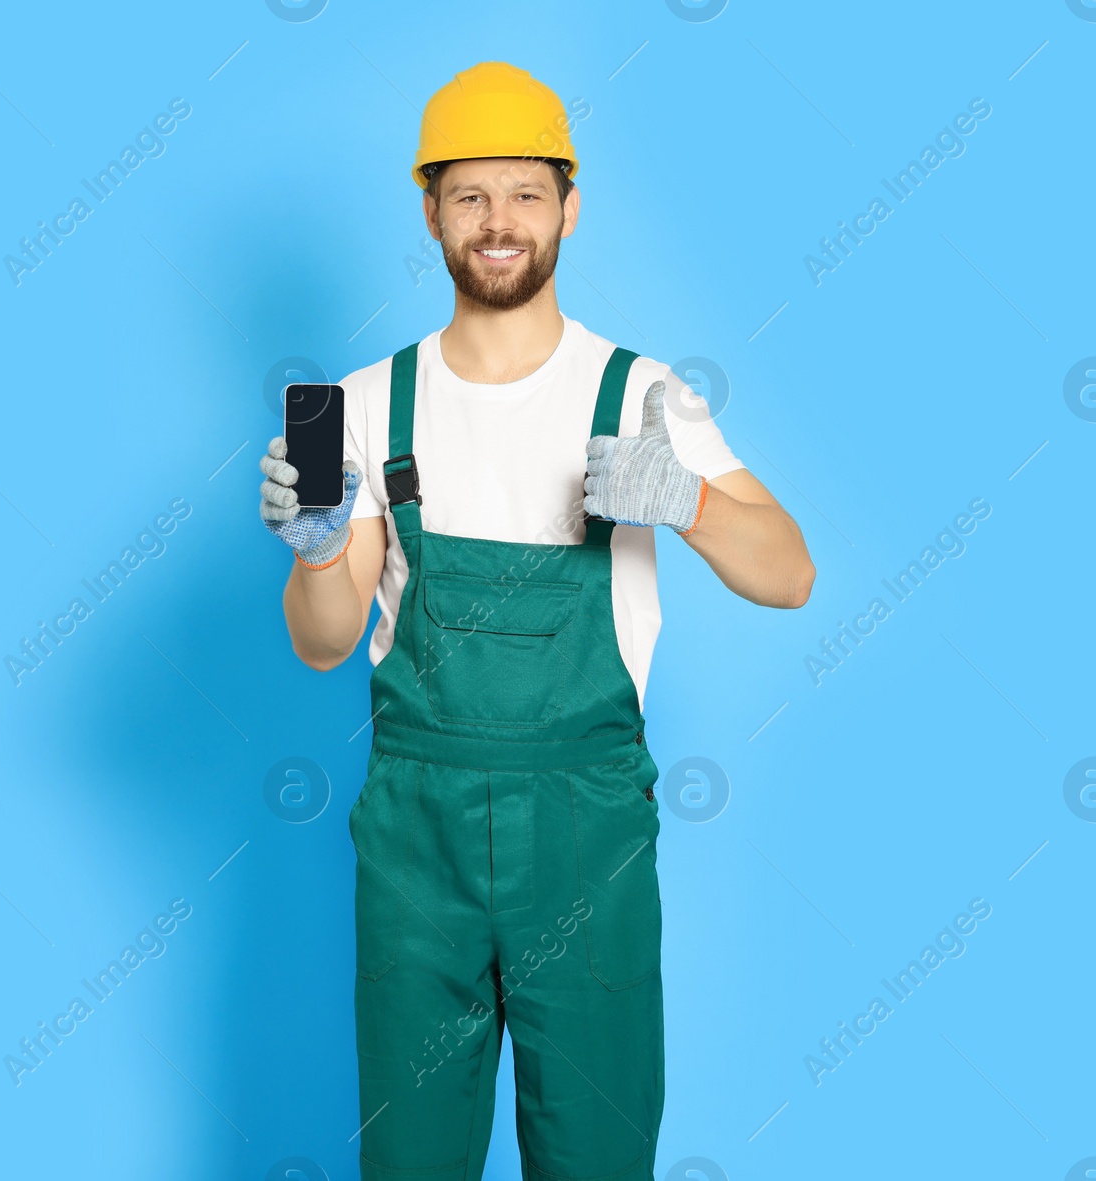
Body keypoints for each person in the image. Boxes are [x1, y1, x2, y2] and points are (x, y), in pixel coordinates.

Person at [258, 60, 815, 1181]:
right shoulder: (360, 406)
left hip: (587, 833)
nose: (497, 222)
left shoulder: (640, 394)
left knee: (599, 1155)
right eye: (469, 195)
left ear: (569, 205)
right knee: (410, 1159)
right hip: (420, 833)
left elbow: (789, 573)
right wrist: (322, 549)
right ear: (429, 212)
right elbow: (322, 641)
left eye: (523, 193)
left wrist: (690, 499)